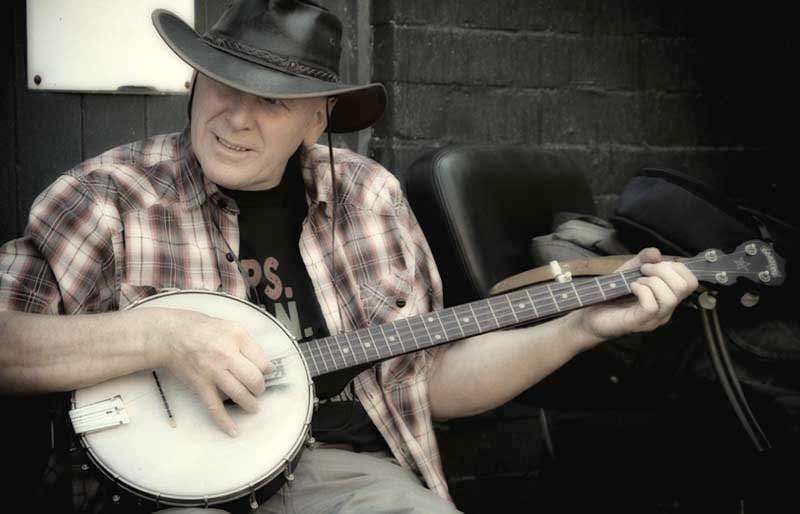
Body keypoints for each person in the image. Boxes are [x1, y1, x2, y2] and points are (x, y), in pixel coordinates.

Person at [0, 1, 698, 513]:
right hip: (163, 491)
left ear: (318, 118)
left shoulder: (371, 199)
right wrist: (161, 336)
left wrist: (578, 330)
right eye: (222, 86)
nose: (236, 119)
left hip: (337, 472)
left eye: (271, 103)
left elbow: (429, 380)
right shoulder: (106, 197)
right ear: (192, 83)